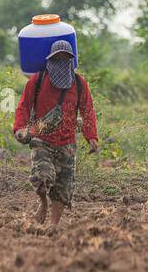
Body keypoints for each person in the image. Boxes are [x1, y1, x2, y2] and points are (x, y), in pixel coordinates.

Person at [12, 40, 97, 225]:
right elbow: (24, 106)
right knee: (42, 177)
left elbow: (87, 110)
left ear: (70, 61)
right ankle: (43, 202)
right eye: (56, 58)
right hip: (41, 138)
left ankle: (53, 226)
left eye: (64, 59)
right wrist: (19, 128)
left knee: (63, 188)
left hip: (67, 143)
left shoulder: (79, 83)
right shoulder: (38, 79)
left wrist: (91, 137)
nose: (60, 62)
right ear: (50, 60)